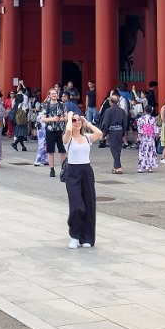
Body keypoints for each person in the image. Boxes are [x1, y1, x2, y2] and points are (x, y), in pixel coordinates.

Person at [63, 112, 102, 248]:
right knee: (77, 206)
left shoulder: (86, 137)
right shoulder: (68, 138)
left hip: (87, 171)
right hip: (73, 172)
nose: (77, 122)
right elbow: (69, 130)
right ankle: (74, 236)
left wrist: (88, 123)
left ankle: (86, 237)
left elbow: (99, 133)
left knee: (89, 205)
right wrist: (69, 117)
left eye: (79, 120)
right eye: (75, 121)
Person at [100, 93, 127, 174]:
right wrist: (123, 133)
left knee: (113, 149)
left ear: (110, 102)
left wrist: (104, 134)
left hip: (112, 131)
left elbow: (105, 123)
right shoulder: (122, 111)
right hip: (119, 131)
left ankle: (118, 167)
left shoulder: (109, 110)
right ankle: (115, 167)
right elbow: (125, 123)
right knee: (117, 149)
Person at [136, 104, 160, 173]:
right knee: (150, 151)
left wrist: (139, 137)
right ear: (151, 111)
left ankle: (141, 168)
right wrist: (156, 135)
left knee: (142, 152)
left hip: (143, 137)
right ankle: (150, 167)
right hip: (150, 137)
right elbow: (155, 128)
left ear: (145, 111)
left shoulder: (140, 119)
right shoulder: (153, 119)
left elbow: (139, 129)